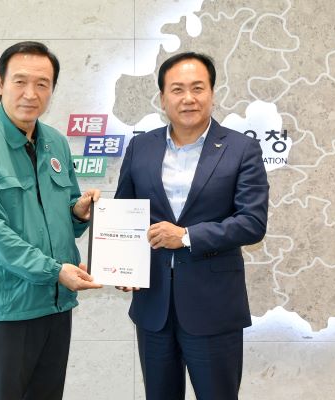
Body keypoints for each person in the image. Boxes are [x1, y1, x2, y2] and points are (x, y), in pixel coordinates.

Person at [0, 41, 102, 400]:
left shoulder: (56, 143)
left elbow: (63, 214)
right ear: (0, 83)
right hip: (8, 308)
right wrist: (55, 271)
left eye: (42, 84)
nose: (31, 94)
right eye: (20, 81)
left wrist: (78, 212)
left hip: (56, 303)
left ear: (52, 89)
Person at [115, 51, 269, 399]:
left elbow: (252, 222)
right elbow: (125, 212)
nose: (188, 98)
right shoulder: (141, 147)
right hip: (153, 306)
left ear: (212, 93)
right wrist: (124, 266)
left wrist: (186, 237)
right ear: (162, 98)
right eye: (177, 89)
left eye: (198, 88)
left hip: (213, 307)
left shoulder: (242, 149)